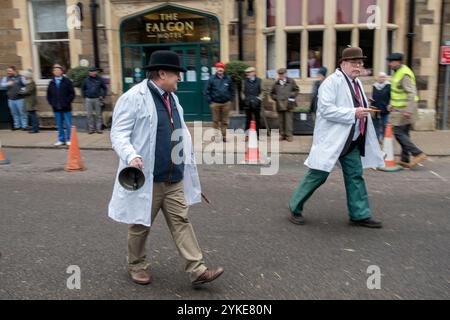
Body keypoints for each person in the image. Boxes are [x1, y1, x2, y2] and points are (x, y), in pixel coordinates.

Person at [108, 50, 224, 286]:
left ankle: (197, 269)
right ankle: (136, 265)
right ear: (162, 74)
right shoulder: (133, 98)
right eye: (176, 74)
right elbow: (118, 134)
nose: (180, 78)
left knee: (181, 221)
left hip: (174, 178)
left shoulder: (173, 99)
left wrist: (191, 180)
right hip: (148, 179)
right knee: (140, 225)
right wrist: (131, 155)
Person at [288, 47, 385, 228]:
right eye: (354, 62)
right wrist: (353, 112)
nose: (358, 66)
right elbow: (325, 109)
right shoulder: (331, 82)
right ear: (343, 63)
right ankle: (295, 206)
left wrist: (363, 105)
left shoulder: (356, 83)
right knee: (318, 174)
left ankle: (360, 214)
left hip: (352, 139)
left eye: (360, 63)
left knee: (356, 175)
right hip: (333, 139)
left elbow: (350, 103)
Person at [387, 53, 427, 168]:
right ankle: (405, 159)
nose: (389, 63)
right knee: (404, 133)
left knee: (398, 132)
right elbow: (397, 92)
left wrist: (408, 110)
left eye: (391, 61)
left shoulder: (404, 74)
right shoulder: (398, 72)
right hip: (400, 108)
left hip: (405, 109)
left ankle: (418, 153)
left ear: (398, 62)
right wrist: (391, 104)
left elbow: (412, 93)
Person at [204, 62, 234, 142]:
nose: (220, 69)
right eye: (218, 68)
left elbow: (232, 90)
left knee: (225, 121)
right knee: (215, 121)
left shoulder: (228, 79)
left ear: (224, 69)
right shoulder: (211, 79)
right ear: (216, 69)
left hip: (226, 103)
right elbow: (206, 91)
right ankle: (215, 136)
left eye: (221, 68)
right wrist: (210, 102)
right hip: (215, 103)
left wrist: (230, 100)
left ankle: (224, 136)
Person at [46, 64, 75, 146]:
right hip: (56, 108)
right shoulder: (51, 82)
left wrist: (67, 101)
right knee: (59, 125)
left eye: (58, 70)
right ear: (53, 72)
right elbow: (48, 95)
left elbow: (72, 94)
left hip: (66, 107)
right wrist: (52, 103)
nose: (57, 72)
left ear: (61, 71)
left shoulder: (67, 81)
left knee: (68, 124)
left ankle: (69, 139)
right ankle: (61, 139)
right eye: (55, 70)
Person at [270, 68, 299, 142]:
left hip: (289, 104)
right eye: (280, 74)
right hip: (279, 104)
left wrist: (291, 95)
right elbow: (272, 93)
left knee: (288, 121)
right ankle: (282, 134)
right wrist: (276, 98)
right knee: (281, 121)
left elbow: (296, 90)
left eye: (282, 74)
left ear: (286, 74)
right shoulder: (276, 83)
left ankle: (289, 135)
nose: (281, 76)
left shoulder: (291, 81)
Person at [81, 66, 107, 134]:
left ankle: (99, 129)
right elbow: (82, 88)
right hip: (88, 99)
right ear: (89, 72)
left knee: (98, 115)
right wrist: (85, 96)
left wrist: (103, 95)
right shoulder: (86, 80)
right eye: (91, 71)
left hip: (97, 99)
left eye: (94, 71)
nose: (92, 73)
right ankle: (91, 129)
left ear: (96, 72)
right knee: (89, 115)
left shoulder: (99, 79)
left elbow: (105, 88)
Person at [1, 66, 27, 130]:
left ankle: (24, 126)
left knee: (22, 113)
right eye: (8, 71)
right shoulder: (5, 78)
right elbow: (1, 85)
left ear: (14, 71)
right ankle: (17, 126)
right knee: (14, 113)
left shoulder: (21, 77)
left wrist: (22, 89)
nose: (8, 72)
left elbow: (26, 85)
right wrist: (7, 84)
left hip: (20, 98)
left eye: (10, 71)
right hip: (10, 99)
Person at [241, 67, 263, 140]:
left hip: (256, 103)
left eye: (249, 72)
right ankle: (247, 135)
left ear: (254, 73)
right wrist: (244, 99)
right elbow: (242, 91)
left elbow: (263, 91)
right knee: (248, 120)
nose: (248, 74)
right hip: (247, 103)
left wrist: (259, 99)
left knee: (257, 119)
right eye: (247, 73)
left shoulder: (259, 81)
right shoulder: (244, 81)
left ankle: (257, 135)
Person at [371, 72, 391, 143]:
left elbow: (391, 97)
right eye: (380, 77)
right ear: (377, 78)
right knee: (376, 124)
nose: (382, 78)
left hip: (385, 108)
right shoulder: (374, 86)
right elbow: (373, 97)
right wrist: (372, 106)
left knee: (384, 124)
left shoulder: (388, 86)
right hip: (375, 108)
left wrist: (390, 104)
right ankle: (377, 138)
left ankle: (384, 138)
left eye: (383, 77)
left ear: (385, 78)